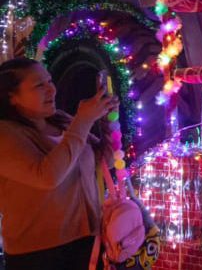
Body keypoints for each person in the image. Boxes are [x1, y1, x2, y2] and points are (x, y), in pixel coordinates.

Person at [0, 57, 118, 270]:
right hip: (40, 254)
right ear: (12, 97)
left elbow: (104, 160)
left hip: (89, 241)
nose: (51, 90)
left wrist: (104, 116)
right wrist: (83, 121)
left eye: (50, 81)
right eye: (39, 85)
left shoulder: (60, 120)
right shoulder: (5, 134)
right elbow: (46, 176)